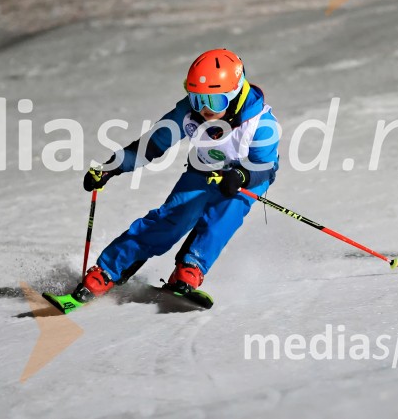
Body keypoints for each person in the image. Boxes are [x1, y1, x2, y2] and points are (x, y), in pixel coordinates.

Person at [72, 48, 280, 302]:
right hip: (203, 167)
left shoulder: (261, 123)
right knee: (172, 218)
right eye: (196, 98)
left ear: (235, 93)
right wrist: (111, 167)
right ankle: (109, 269)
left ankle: (190, 267)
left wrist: (241, 176)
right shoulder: (187, 113)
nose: (203, 109)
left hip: (246, 177)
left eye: (214, 102)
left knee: (224, 215)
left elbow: (264, 166)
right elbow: (152, 144)